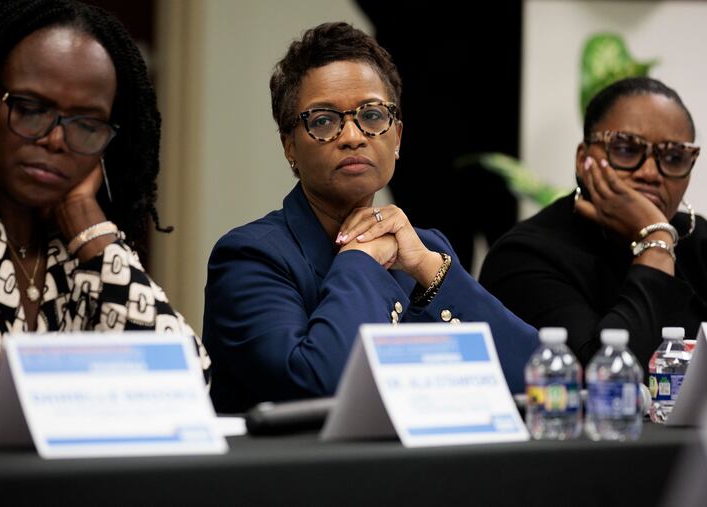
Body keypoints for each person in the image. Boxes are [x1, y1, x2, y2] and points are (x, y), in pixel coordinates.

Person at [202, 22, 539, 413]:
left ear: (396, 137)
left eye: (372, 115)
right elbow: (321, 388)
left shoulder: (426, 249)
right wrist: (361, 256)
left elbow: (537, 378)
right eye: (324, 120)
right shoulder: (249, 258)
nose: (353, 136)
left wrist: (432, 271)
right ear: (289, 146)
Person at [0, 0, 206, 418]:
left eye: (86, 124)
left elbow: (189, 387)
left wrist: (90, 228)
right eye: (30, 109)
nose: (55, 140)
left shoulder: (85, 251)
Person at [480, 77, 707, 369]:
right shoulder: (523, 255)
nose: (651, 172)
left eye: (674, 157)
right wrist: (656, 244)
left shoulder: (699, 241)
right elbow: (603, 381)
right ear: (583, 158)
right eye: (626, 149)